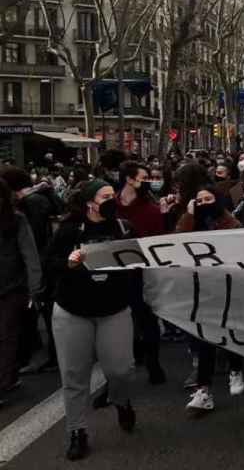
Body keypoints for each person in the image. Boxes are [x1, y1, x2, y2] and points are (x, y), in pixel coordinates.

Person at [44, 179, 138, 460]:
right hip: (72, 312)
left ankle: (121, 401)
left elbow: (140, 264)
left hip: (114, 310)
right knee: (74, 376)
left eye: (113, 194)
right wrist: (68, 263)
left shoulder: (124, 228)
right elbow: (49, 262)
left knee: (121, 369)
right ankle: (77, 431)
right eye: (104, 195)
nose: (111, 199)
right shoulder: (69, 230)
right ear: (89, 202)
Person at [178, 187, 244, 414]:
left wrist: (222, 215)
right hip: (200, 289)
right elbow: (177, 241)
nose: (204, 203)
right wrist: (189, 215)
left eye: (209, 199)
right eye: (199, 200)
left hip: (227, 288)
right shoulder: (191, 220)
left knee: (229, 331)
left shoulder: (231, 222)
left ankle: (235, 369)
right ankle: (204, 390)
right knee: (205, 337)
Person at [115, 161, 166, 385]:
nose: (149, 182)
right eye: (144, 177)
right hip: (114, 275)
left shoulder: (151, 210)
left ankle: (153, 363)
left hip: (142, 273)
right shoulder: (110, 206)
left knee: (147, 319)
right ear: (129, 179)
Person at [0, 178, 42, 406]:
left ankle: (4, 382)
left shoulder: (16, 220)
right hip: (11, 284)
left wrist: (34, 289)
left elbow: (30, 255)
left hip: (12, 287)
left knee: (7, 336)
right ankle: (8, 377)